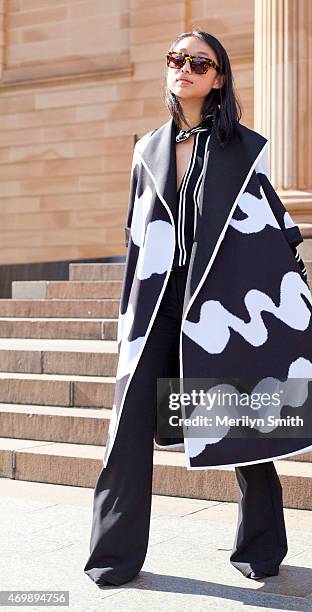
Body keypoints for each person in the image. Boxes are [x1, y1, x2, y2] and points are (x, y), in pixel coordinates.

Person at [83, 30, 294, 587]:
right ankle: (113, 555)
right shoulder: (147, 148)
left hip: (219, 300)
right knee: (128, 425)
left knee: (238, 421)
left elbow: (265, 227)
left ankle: (262, 547)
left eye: (198, 63)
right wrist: (128, 311)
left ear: (218, 77)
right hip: (155, 302)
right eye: (176, 60)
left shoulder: (246, 148)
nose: (185, 69)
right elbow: (135, 235)